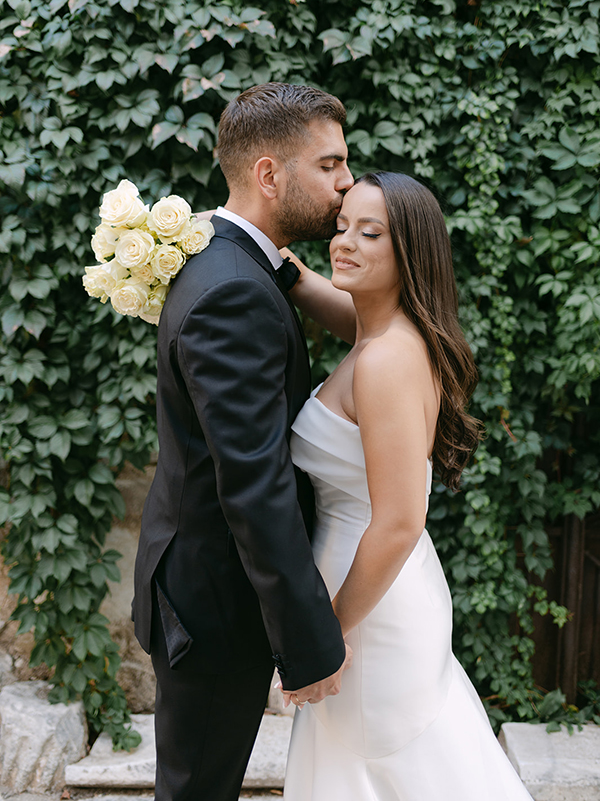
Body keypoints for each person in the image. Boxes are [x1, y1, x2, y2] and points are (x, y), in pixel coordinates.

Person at [280, 172, 534, 800]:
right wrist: (280, 265)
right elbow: (348, 314)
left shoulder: (387, 359)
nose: (345, 242)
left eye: (370, 233)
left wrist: (327, 634)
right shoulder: (385, 332)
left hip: (370, 610)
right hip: (384, 595)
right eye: (342, 227)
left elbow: (399, 521)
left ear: (410, 254)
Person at [132, 83, 353, 801]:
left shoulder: (235, 264)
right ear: (268, 174)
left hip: (199, 587)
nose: (346, 182)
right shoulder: (233, 289)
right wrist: (308, 642)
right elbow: (254, 485)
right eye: (330, 165)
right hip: (214, 607)